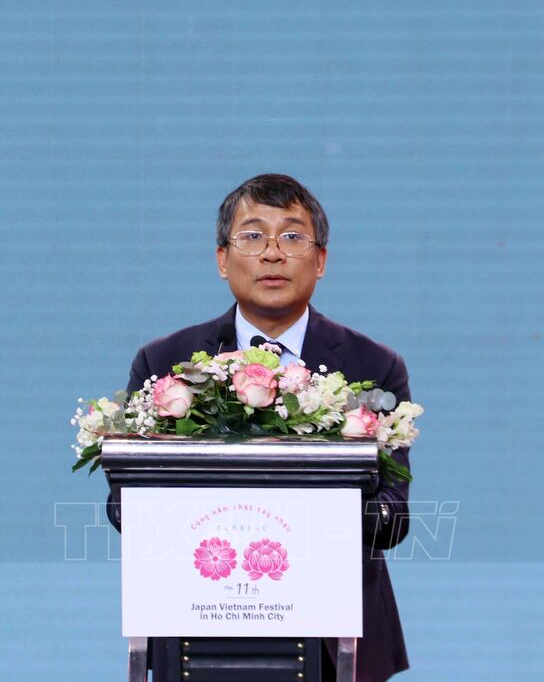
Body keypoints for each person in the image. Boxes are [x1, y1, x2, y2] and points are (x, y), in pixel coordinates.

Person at [108, 174, 412, 682]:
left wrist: (306, 518)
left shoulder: (373, 367)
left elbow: (394, 517)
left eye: (292, 236)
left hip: (339, 643)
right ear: (222, 259)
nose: (272, 253)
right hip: (197, 628)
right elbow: (124, 508)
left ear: (320, 260)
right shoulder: (166, 364)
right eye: (252, 236)